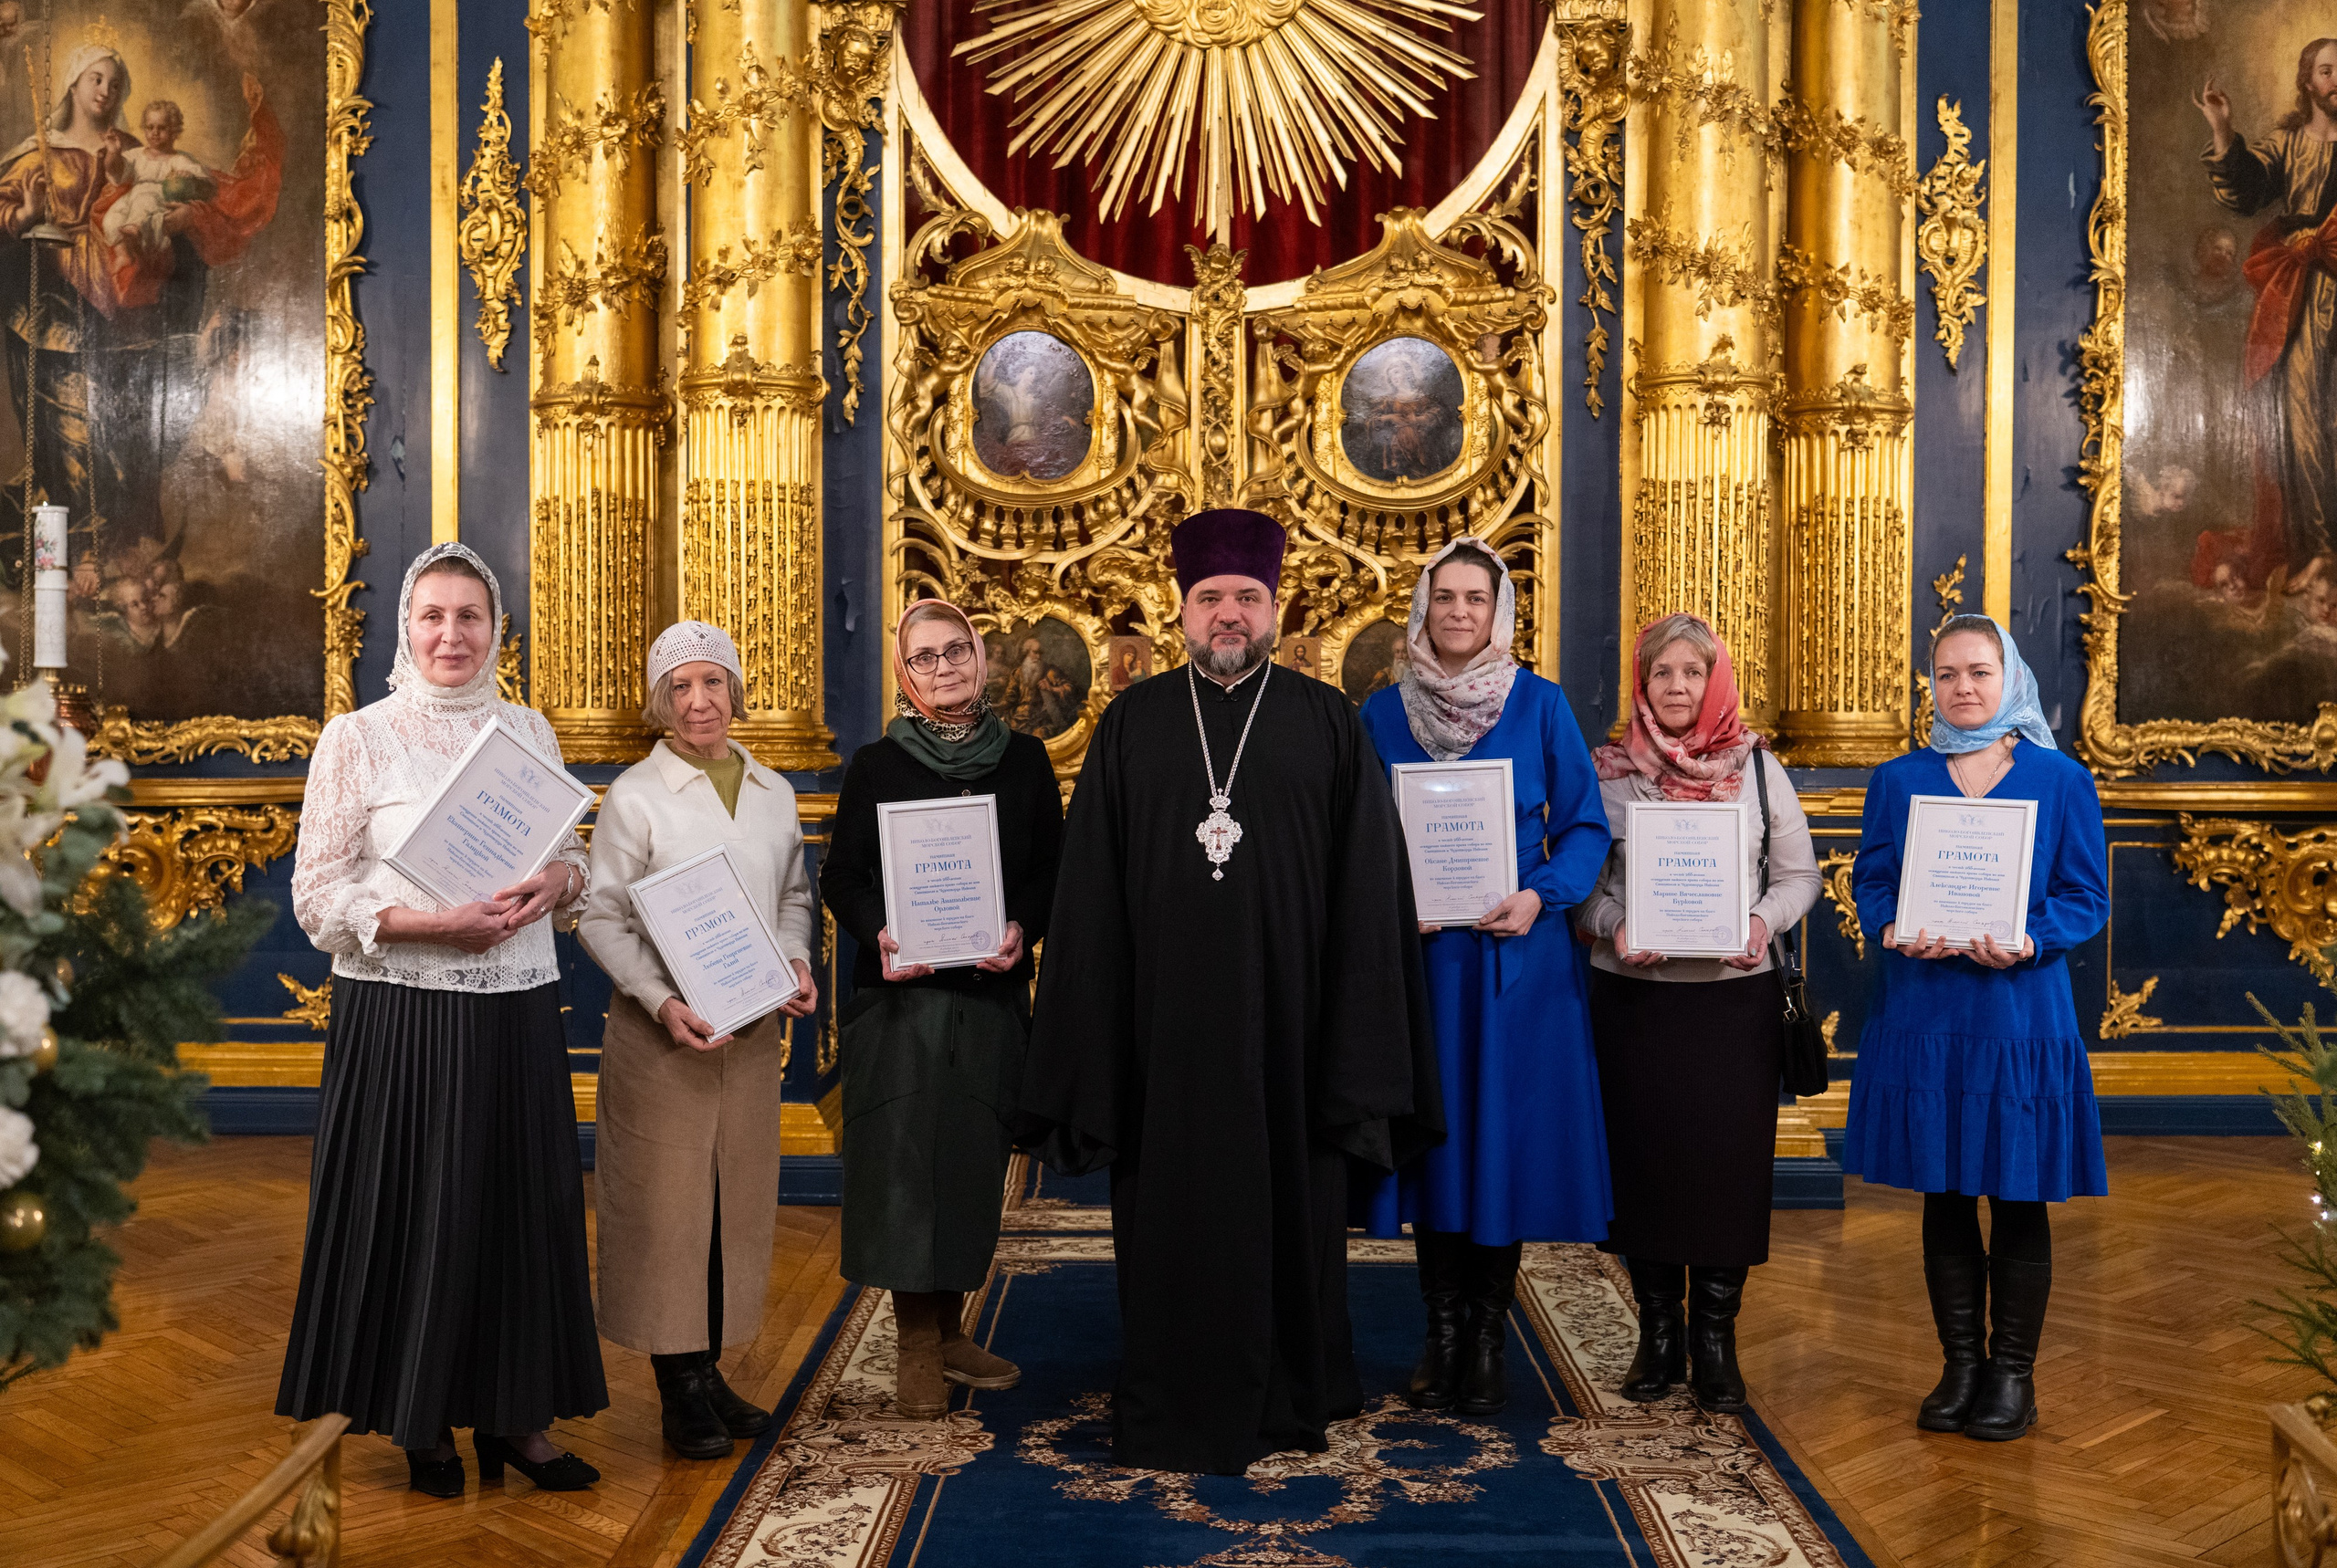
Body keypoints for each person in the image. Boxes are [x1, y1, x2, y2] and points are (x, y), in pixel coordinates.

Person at [1016, 507, 1441, 1476]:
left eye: (1247, 597)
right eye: (1210, 598)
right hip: (1166, 1030)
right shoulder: (1133, 721)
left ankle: (1297, 1379)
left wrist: (1355, 1030)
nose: (1229, 615)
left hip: (1293, 1024)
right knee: (1173, 1210)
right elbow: (1089, 897)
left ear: (1276, 607)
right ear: (1180, 610)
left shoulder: (1326, 718)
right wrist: (1096, 1035)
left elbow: (1369, 886)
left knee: (1294, 1202)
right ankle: (1173, 1381)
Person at [278, 544, 606, 1497]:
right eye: (433, 615)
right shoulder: (357, 735)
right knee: (418, 1213)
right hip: (402, 1018)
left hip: (515, 1012)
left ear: (495, 628)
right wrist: (434, 923)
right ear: (405, 627)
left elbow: (573, 859)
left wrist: (558, 876)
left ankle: (519, 1421)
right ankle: (420, 1421)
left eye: (470, 615)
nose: (451, 633)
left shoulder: (530, 729)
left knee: (519, 1211)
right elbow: (315, 898)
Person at [1355, 537, 1612, 1417]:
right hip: (1420, 963)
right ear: (1423, 607)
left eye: (1477, 598)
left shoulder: (1539, 706)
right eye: (1446, 597)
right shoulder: (1382, 716)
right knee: (1435, 1141)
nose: (1460, 611)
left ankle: (1491, 1334)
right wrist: (1391, 903)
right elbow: (1357, 841)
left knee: (1497, 1143)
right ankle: (1442, 1333)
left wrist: (1540, 898)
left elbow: (1584, 830)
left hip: (1515, 964)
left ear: (1500, 612)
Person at [1843, 613, 2109, 1442]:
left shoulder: (2060, 781)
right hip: (1926, 1007)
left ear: (2010, 676)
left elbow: (2085, 897)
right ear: (1931, 684)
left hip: (2019, 1010)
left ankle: (2013, 1377)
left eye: (1979, 672)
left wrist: (2032, 938)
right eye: (1948, 674)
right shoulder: (1899, 778)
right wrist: (1892, 925)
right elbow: (1873, 878)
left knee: (2018, 1192)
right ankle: (1960, 1365)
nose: (1963, 686)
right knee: (1946, 1189)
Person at [578, 622, 821, 1460]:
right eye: (680, 688)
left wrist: (795, 958)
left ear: (737, 692)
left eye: (713, 683)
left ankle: (710, 1371)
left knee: (730, 1211)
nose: (699, 702)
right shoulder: (634, 796)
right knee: (666, 1212)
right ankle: (677, 1389)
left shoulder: (773, 791)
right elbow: (601, 915)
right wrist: (658, 998)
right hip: (665, 1039)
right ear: (660, 702)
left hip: (749, 1034)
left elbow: (794, 894)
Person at [819, 599, 1064, 1419]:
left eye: (956, 649)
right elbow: (841, 878)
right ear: (903, 674)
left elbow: (1050, 873)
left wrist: (1021, 927)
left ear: (983, 658)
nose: (944, 666)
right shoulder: (875, 765)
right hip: (899, 1002)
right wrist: (880, 933)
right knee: (902, 1173)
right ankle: (917, 1341)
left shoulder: (1025, 762)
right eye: (923, 657)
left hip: (990, 997)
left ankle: (952, 1327)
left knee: (967, 1165)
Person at [1573, 613, 1821, 1414]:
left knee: (1725, 1172)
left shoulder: (1756, 770)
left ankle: (1715, 1338)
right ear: (1640, 686)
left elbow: (1800, 878)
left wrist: (1759, 922)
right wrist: (1615, 924)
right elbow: (1582, 885)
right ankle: (1658, 1334)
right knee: (1643, 1169)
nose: (1676, 688)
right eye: (1660, 675)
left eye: (1691, 673)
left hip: (1730, 1005)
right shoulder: (1607, 773)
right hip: (1636, 1000)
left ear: (1714, 681)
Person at [2196, 39, 2337, 596]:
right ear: (2308, 82)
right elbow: (2246, 192)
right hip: (2301, 290)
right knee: (2302, 420)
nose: (2336, 81)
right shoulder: (2289, 144)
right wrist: (2222, 128)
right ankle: (2317, 552)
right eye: (2328, 71)